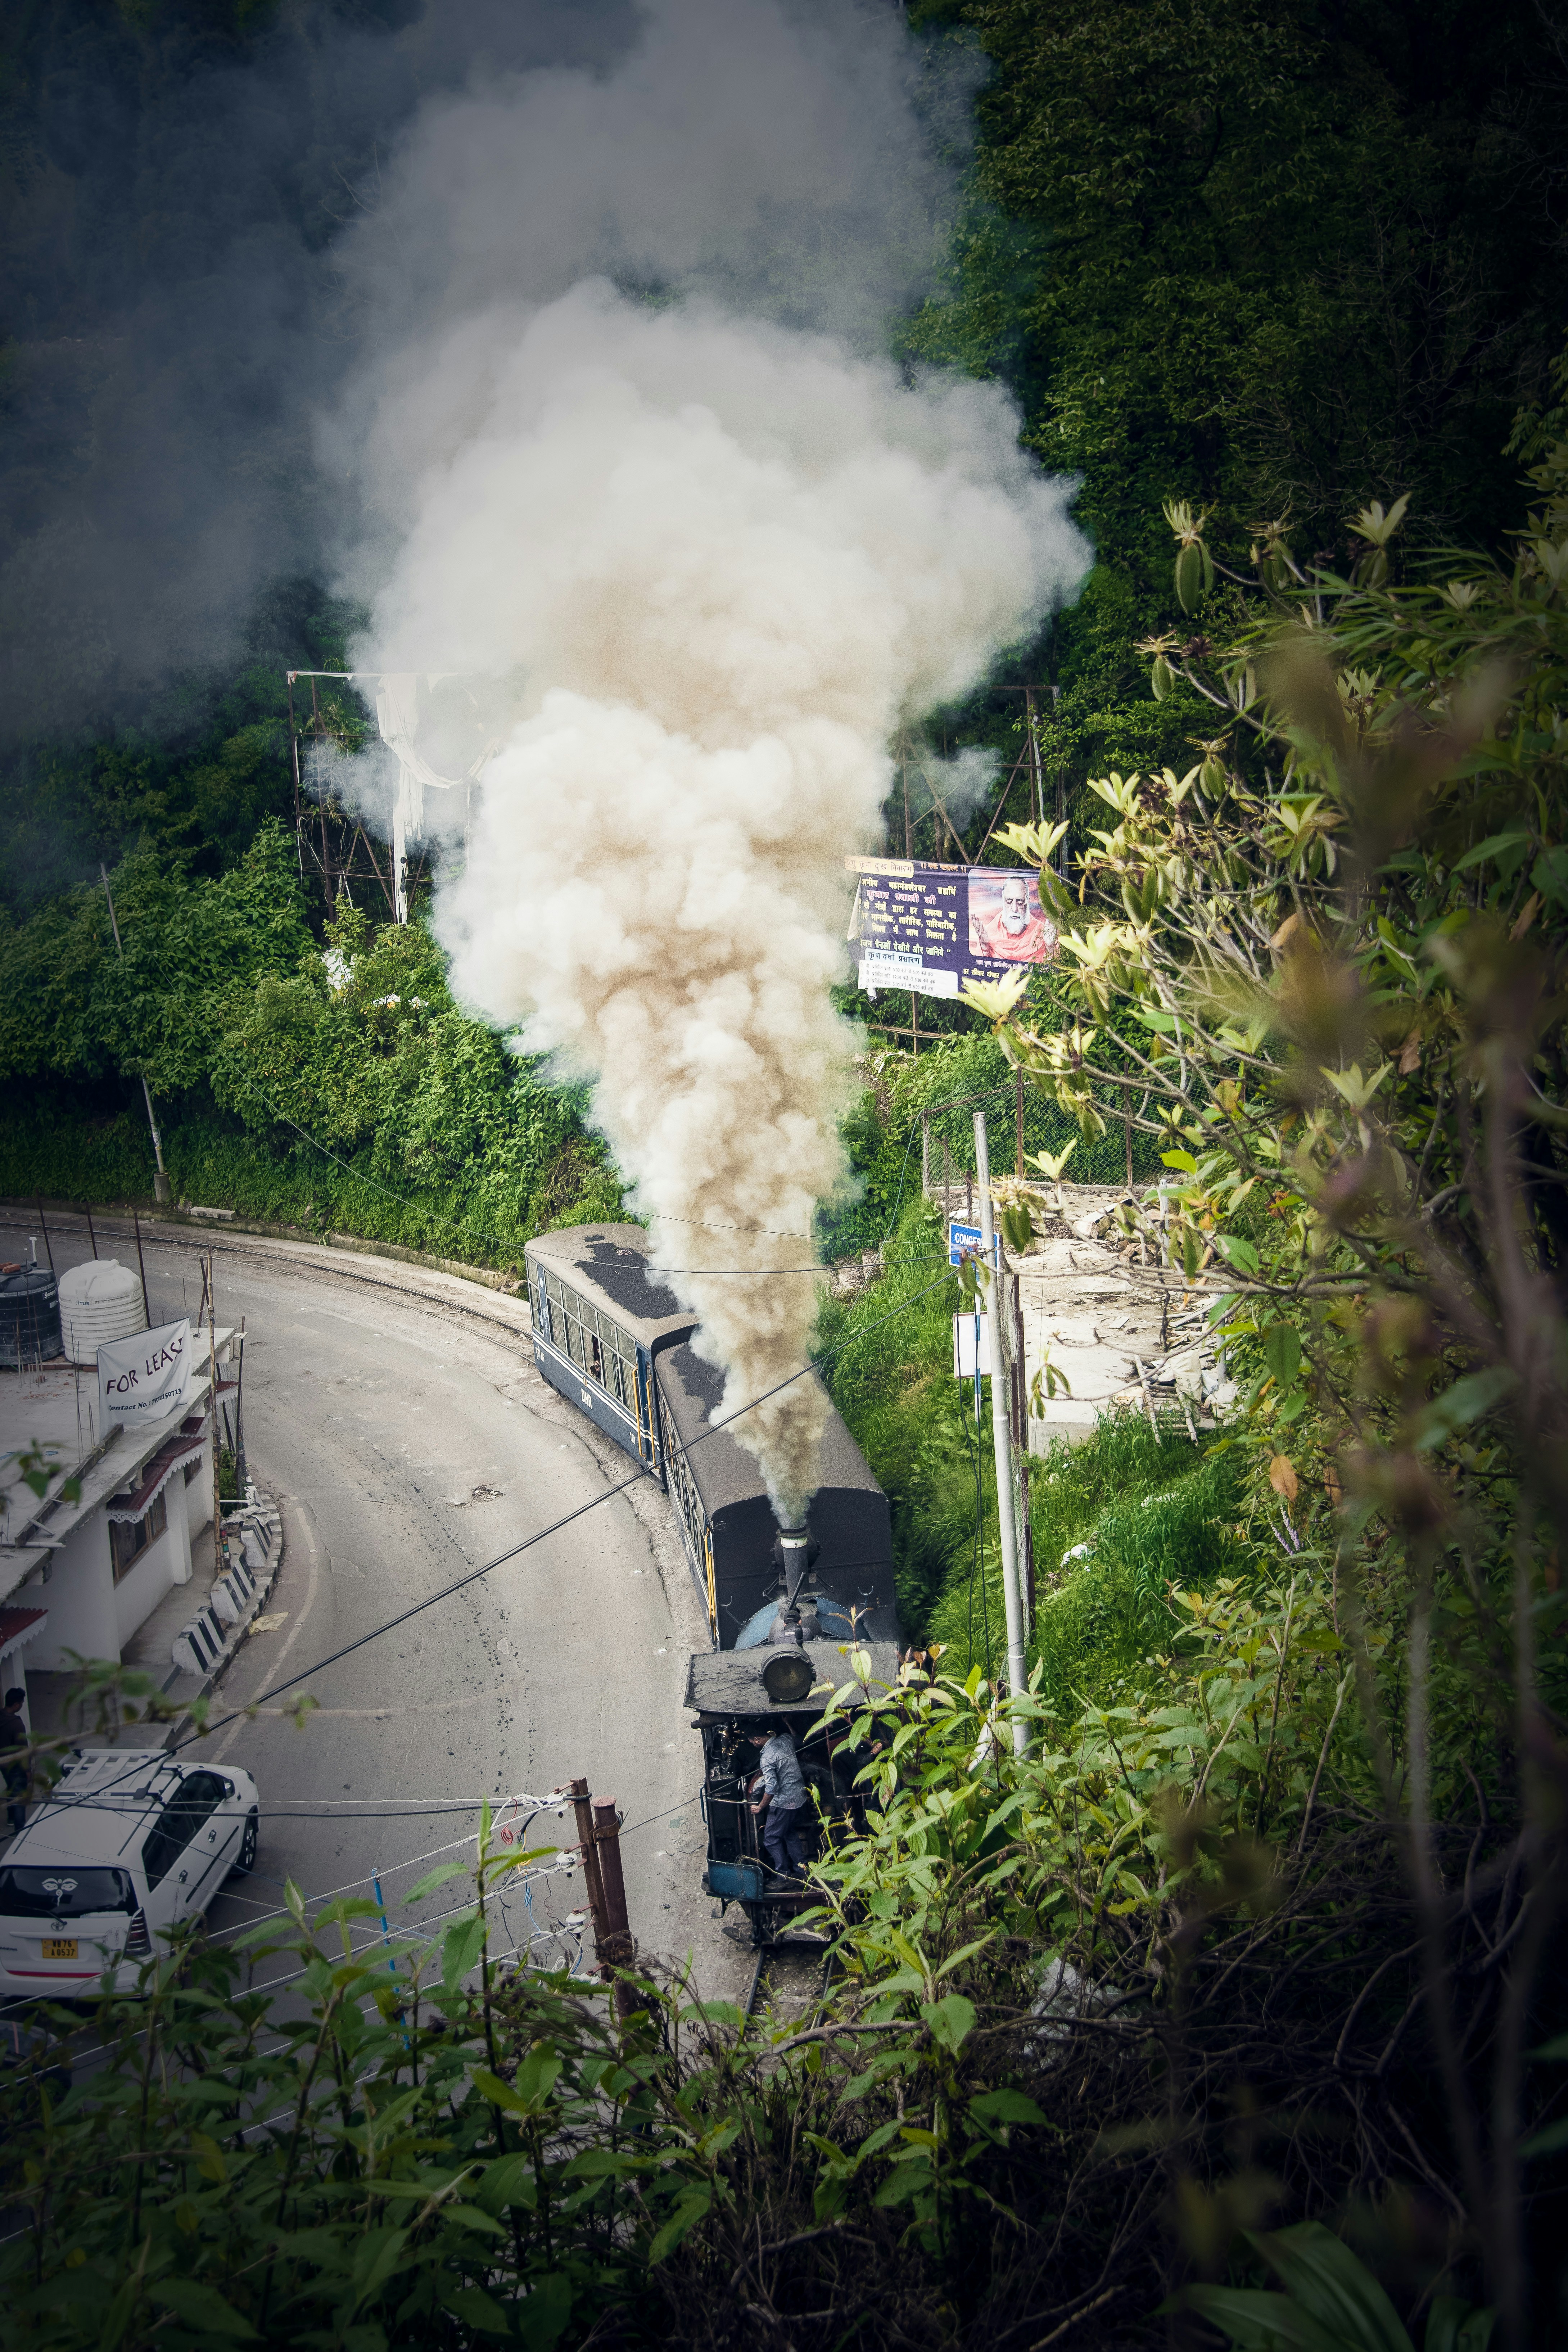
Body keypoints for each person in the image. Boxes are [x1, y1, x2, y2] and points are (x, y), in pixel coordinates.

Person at [750, 1724, 810, 1878]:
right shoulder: (785, 1740)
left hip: (784, 1803)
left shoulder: (767, 1757)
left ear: (756, 1740)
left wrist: (760, 1808)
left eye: (752, 1742)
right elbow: (799, 1739)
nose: (753, 1744)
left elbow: (771, 1788)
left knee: (770, 1838)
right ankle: (802, 1870)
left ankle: (783, 1876)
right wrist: (790, 1723)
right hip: (800, 1797)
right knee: (789, 1834)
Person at [970, 877, 1057, 963]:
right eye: (1009, 902)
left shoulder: (1043, 932)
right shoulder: (989, 933)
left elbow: (1052, 972)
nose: (1015, 909)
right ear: (1003, 901)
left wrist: (1050, 947)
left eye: (1020, 903)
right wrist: (985, 948)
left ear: (1028, 901)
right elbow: (981, 970)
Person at [0, 1687, 29, 1839]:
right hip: (16, 1766)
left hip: (3, 1764)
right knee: (20, 1796)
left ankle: (11, 1818)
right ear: (17, 1705)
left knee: (11, 1789)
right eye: (22, 1703)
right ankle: (20, 1832)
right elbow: (23, 1750)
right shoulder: (16, 1725)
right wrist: (28, 1770)